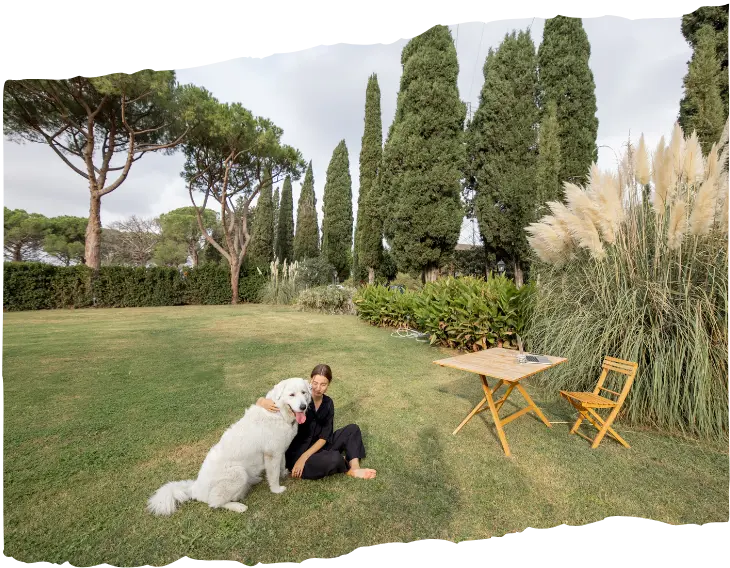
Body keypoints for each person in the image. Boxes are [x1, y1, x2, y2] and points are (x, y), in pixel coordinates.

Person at [256, 364, 377, 480]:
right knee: (334, 458)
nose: (318, 388)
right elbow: (275, 400)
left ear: (328, 384)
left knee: (352, 429)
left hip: (320, 445)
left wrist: (305, 456)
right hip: (297, 453)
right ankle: (345, 467)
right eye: (315, 383)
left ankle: (355, 467)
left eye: (323, 384)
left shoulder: (328, 403)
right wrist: (262, 401)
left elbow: (325, 436)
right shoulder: (299, 400)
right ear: (310, 381)